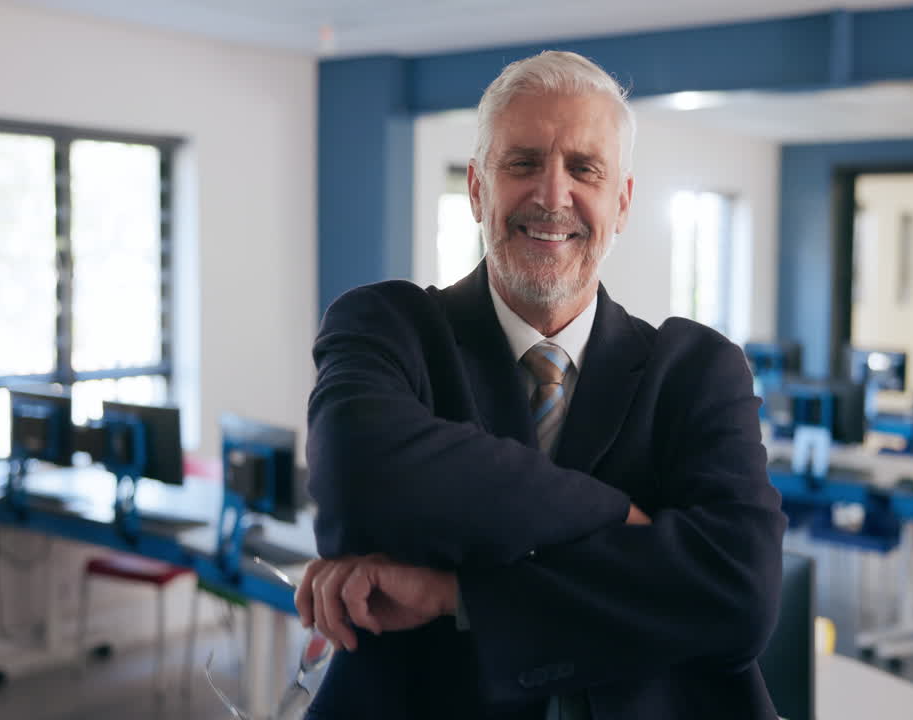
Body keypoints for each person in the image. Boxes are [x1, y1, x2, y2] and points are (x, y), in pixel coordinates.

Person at [296, 50, 786, 719]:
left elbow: (737, 599)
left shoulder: (698, 369)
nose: (552, 196)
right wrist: (620, 518)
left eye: (583, 169)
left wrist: (458, 593)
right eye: (522, 163)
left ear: (622, 202)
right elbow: (358, 480)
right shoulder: (388, 326)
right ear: (476, 188)